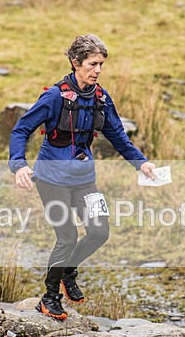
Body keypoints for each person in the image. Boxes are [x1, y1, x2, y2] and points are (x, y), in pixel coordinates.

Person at [9, 34, 155, 321]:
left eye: (101, 64)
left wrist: (141, 163)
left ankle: (67, 271)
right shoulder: (54, 97)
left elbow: (117, 135)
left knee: (100, 232)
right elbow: (20, 130)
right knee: (67, 236)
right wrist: (19, 165)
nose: (97, 70)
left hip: (85, 178)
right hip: (51, 179)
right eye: (92, 64)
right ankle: (49, 298)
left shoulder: (101, 97)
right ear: (76, 63)